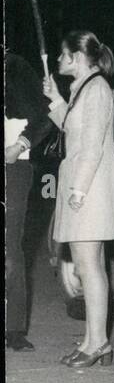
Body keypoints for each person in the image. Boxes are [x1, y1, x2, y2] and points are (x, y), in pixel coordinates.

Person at [42, 32, 114, 368]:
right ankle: (94, 340)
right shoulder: (84, 87)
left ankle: (98, 342)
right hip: (86, 181)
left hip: (91, 183)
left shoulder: (96, 88)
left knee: (88, 265)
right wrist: (54, 100)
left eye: (61, 55)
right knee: (88, 264)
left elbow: (93, 144)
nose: (57, 61)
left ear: (77, 57)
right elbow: (73, 128)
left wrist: (78, 190)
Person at [5, 50, 54, 351]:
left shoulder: (15, 66)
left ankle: (13, 328)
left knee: (10, 247)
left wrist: (21, 144)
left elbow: (44, 115)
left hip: (12, 166)